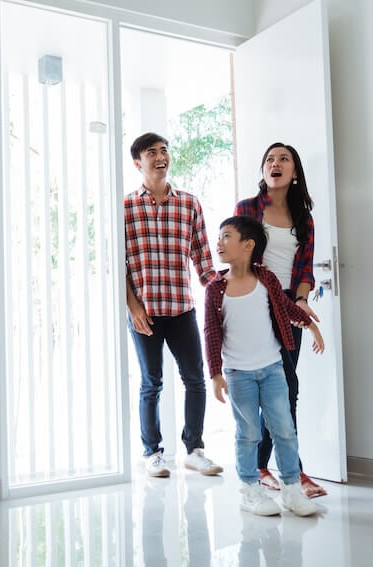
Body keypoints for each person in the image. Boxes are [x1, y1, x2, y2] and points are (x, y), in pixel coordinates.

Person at [204, 215, 324, 516]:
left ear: (248, 245)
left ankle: (292, 490)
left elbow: (286, 308)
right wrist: (216, 374)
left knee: (284, 429)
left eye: (226, 236)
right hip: (238, 374)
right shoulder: (215, 289)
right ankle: (250, 491)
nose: (219, 242)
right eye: (219, 236)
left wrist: (310, 326)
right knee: (248, 433)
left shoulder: (266, 280)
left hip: (272, 370)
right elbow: (211, 332)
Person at [125, 132, 223, 478]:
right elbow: (117, 265)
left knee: (195, 379)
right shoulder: (125, 207)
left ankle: (194, 449)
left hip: (182, 307)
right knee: (151, 382)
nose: (161, 157)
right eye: (152, 152)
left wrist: (225, 294)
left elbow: (203, 261)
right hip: (145, 311)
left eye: (164, 151)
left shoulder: (189, 204)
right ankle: (152, 452)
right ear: (138, 163)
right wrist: (133, 307)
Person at [234, 142, 327, 497]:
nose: (275, 163)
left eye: (283, 159)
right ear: (263, 170)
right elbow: (239, 262)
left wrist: (301, 301)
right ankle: (295, 473)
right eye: (269, 159)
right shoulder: (247, 209)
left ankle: (260, 466)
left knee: (282, 388)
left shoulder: (304, 218)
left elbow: (305, 268)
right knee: (287, 387)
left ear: (294, 172)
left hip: (289, 308)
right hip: (257, 306)